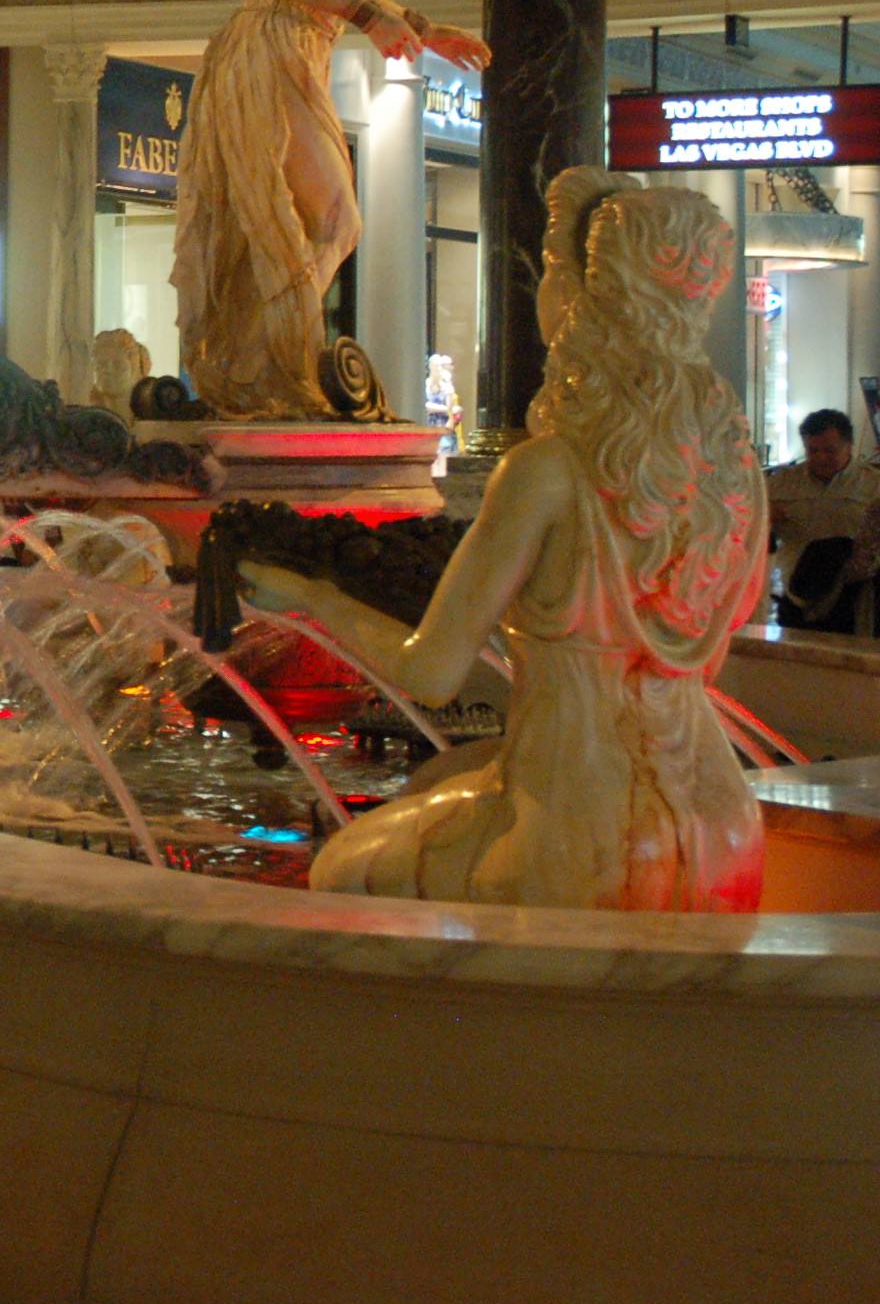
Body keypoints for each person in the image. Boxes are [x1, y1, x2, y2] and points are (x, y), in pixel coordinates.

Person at [288, 168, 764, 912]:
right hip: (722, 823)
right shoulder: (734, 472)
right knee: (439, 784)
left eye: (549, 269)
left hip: (581, 832)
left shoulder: (545, 472)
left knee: (340, 869)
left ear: (584, 296)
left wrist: (307, 594)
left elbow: (431, 674)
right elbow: (712, 645)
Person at [170, 0, 491, 417]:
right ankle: (264, 362)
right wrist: (372, 18)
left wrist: (427, 30)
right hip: (272, 45)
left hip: (299, 48)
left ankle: (259, 360)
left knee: (321, 223)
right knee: (338, 219)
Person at [770, 408, 880, 631]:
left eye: (830, 450)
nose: (821, 458)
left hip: (854, 601)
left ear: (849, 445)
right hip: (797, 599)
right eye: (813, 450)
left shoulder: (873, 485)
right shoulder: (781, 483)